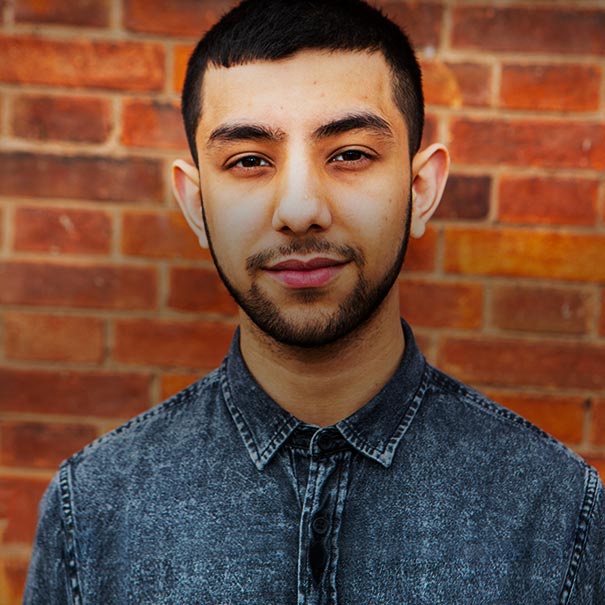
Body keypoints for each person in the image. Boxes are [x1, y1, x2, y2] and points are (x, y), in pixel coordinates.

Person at [24, 0, 604, 603]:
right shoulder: (91, 509)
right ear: (196, 205)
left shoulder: (558, 512)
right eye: (249, 161)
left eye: (350, 154)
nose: (300, 210)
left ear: (421, 189)